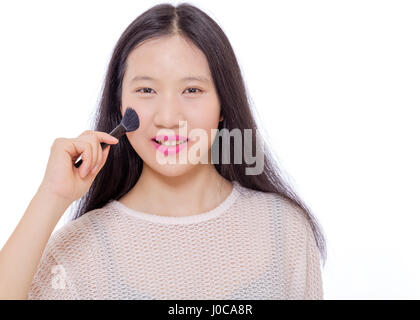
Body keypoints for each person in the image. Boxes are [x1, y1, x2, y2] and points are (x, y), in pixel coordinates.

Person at [0, 3, 327, 300]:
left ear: (223, 103)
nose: (168, 118)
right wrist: (51, 196)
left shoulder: (283, 228)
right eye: (146, 90)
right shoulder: (77, 250)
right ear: (120, 103)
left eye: (192, 90)